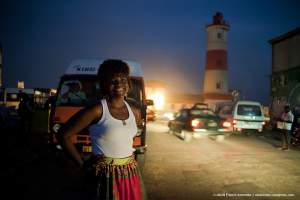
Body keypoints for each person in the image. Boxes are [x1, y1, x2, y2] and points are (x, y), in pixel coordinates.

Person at [61, 59, 147, 200]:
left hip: (130, 173)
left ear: (128, 84)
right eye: (113, 80)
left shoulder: (135, 111)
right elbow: (63, 135)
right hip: (105, 175)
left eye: (123, 79)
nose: (119, 84)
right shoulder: (96, 110)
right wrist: (81, 164)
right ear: (104, 85)